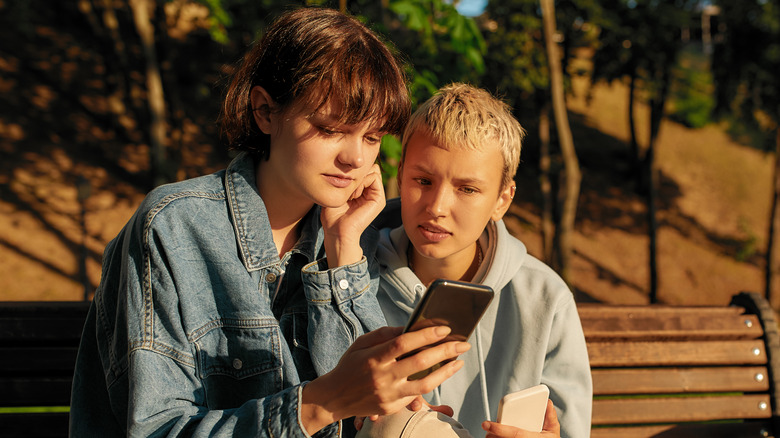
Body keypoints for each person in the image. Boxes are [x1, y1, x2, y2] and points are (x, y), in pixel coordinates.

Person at [69, 9, 470, 437]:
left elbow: (371, 415)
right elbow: (153, 429)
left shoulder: (350, 238)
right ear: (265, 111)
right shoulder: (173, 229)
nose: (355, 158)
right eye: (330, 128)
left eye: (371, 137)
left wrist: (343, 255)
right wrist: (319, 404)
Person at [366, 83, 592, 437]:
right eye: (423, 180)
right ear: (399, 174)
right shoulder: (352, 278)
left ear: (502, 200)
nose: (437, 207)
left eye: (467, 189)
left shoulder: (546, 298)